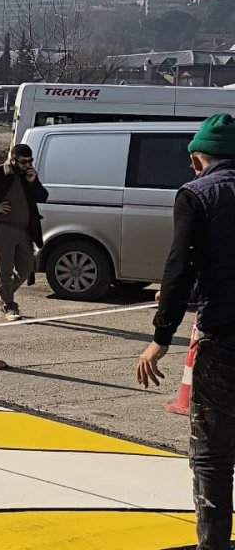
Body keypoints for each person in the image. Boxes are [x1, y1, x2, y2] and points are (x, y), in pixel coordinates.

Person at [136, 113, 235, 550]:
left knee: (213, 453)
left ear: (199, 158)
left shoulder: (197, 195)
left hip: (225, 337)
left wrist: (160, 338)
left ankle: (213, 544)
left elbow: (180, 267)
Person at [0, 143, 49, 322]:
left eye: (30, 161)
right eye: (23, 162)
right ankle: (9, 307)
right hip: (3, 228)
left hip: (25, 230)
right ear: (13, 160)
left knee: (27, 267)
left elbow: (43, 196)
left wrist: (33, 181)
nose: (27, 165)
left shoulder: (28, 175)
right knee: (4, 270)